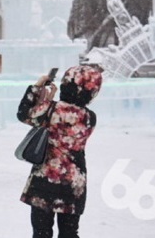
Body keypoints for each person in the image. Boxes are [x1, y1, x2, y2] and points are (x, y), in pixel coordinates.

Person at [17, 65, 103, 238]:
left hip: (45, 180)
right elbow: (66, 119)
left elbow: (24, 114)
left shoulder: (50, 109)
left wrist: (38, 87)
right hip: (73, 183)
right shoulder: (90, 118)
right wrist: (50, 102)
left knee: (41, 232)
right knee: (69, 233)